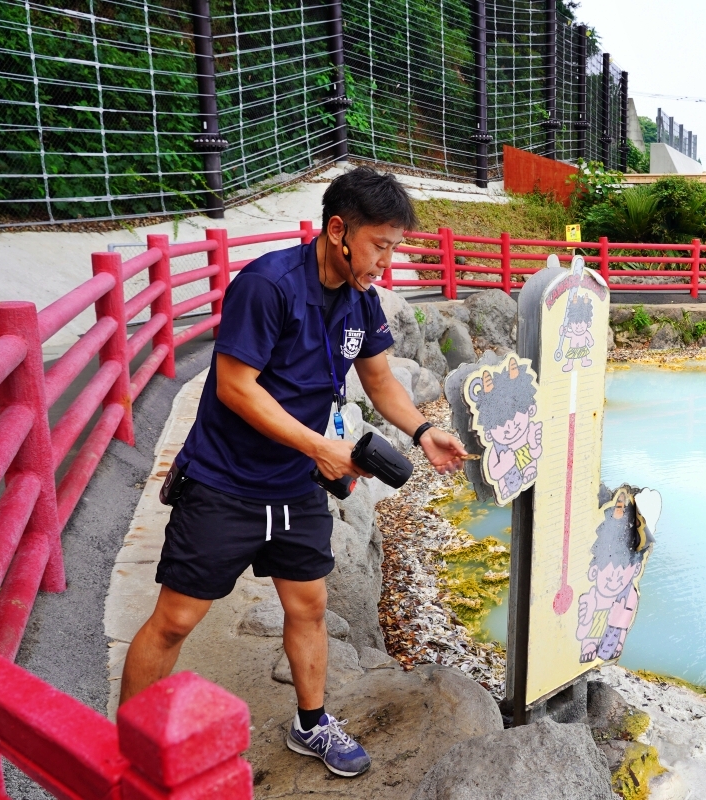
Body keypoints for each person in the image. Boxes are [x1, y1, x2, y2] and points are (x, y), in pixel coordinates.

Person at [118, 167, 467, 778]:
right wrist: (319, 447)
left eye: (394, 248)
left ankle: (312, 725)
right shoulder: (268, 285)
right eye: (380, 245)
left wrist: (421, 430)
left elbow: (380, 379)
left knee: (308, 606)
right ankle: (127, 749)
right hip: (225, 481)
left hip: (294, 485)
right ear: (339, 230)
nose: (388, 261)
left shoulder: (361, 302)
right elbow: (234, 387)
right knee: (175, 620)